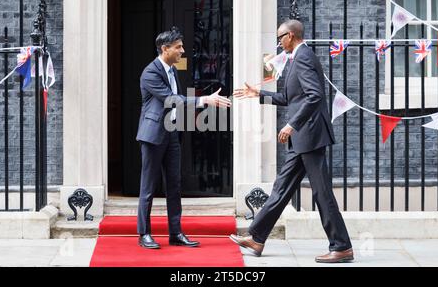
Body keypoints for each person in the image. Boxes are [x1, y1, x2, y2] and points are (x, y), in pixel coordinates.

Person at [231, 20, 353, 263]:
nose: (278, 42)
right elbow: (289, 97)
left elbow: (314, 96)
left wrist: (291, 124)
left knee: (322, 193)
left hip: (310, 135)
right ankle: (257, 237)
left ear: (291, 35)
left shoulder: (304, 56)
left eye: (280, 38)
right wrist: (259, 95)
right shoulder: (296, 58)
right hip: (303, 138)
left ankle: (341, 246)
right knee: (281, 188)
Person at [136, 27, 231, 249]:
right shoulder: (150, 72)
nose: (183, 51)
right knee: (148, 187)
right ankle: (144, 234)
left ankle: (176, 233)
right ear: (165, 48)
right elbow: (171, 99)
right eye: (178, 47)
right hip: (153, 135)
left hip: (172, 134)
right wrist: (204, 100)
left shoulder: (172, 70)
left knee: (174, 186)